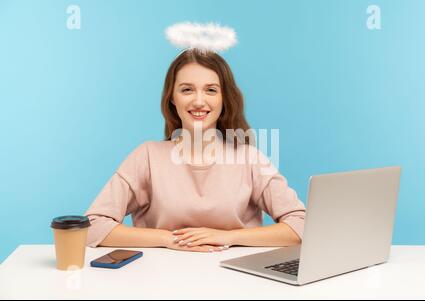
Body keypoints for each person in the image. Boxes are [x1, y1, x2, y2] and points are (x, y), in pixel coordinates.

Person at [84, 23, 306, 253]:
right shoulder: (148, 156)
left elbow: (300, 225)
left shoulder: (249, 158)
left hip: (237, 278)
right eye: (187, 90)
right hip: (160, 279)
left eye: (211, 90)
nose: (199, 101)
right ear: (172, 98)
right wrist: (168, 239)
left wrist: (226, 237)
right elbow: (92, 226)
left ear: (224, 98)